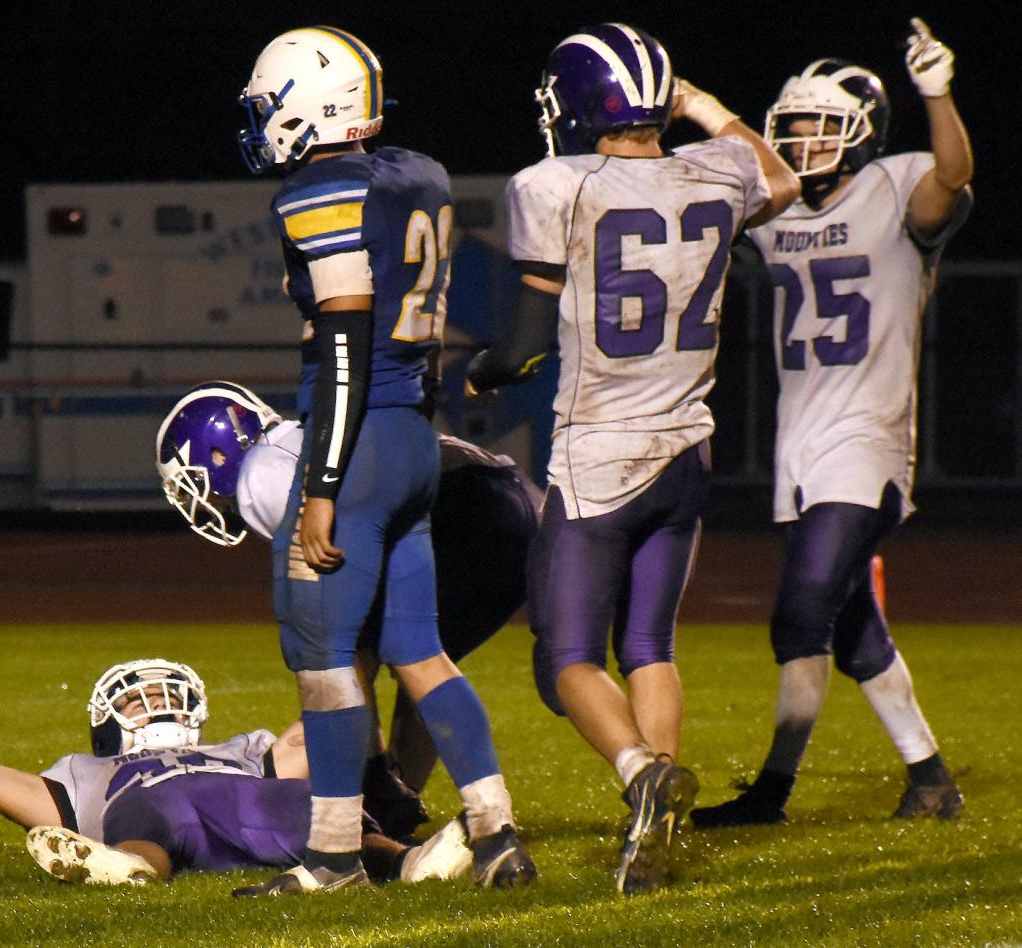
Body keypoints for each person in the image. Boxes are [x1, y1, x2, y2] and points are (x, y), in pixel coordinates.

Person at [465, 23, 799, 893]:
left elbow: (527, 344)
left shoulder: (551, 183)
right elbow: (784, 179)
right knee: (648, 643)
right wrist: (704, 106)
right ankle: (656, 828)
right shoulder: (719, 169)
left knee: (565, 658)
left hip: (600, 457)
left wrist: (479, 373)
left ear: (579, 105)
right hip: (688, 446)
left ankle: (642, 776)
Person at [234, 27, 535, 895]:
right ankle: (496, 831)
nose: (262, 123)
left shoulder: (319, 190)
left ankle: (331, 860)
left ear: (308, 105)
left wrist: (321, 486)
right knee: (420, 651)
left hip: (357, 441)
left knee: (320, 654)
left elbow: (342, 344)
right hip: (412, 437)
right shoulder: (419, 174)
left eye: (270, 103)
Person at [690, 19, 972, 829]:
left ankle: (772, 795)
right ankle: (931, 780)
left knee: (802, 607)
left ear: (860, 133)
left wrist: (936, 93)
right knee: (852, 633)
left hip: (870, 441)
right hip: (798, 446)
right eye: (795, 125)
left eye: (820, 124)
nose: (804, 139)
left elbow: (951, 175)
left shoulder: (893, 185)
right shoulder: (774, 212)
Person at [156, 381, 543, 833]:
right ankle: (418, 805)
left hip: (465, 504)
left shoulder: (260, 477)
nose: (202, 501)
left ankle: (374, 798)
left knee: (337, 641)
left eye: (192, 482)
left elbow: (334, 596)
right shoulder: (297, 439)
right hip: (514, 503)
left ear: (217, 452)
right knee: (421, 661)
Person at [0, 659, 473, 886]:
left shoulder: (245, 749)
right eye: (138, 697)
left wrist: (355, 652)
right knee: (146, 816)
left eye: (164, 693)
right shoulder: (82, 773)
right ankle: (131, 870)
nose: (155, 704)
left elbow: (326, 728)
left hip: (242, 797)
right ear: (106, 718)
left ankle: (406, 861)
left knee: (312, 806)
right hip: (145, 810)